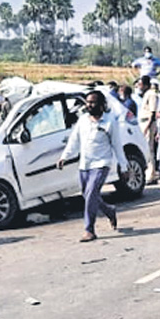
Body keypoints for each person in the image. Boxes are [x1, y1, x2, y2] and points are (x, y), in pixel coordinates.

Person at [58, 90, 127, 243]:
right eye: (88, 102)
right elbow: (74, 141)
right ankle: (109, 210)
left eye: (93, 102)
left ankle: (89, 230)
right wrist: (64, 156)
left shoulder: (110, 122)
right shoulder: (83, 120)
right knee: (88, 195)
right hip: (85, 163)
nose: (89, 105)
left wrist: (124, 166)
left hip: (101, 164)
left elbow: (117, 145)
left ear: (102, 105)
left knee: (90, 194)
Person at [136, 76, 160, 184]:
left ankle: (151, 174)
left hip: (148, 123)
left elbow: (152, 112)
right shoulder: (146, 94)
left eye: (140, 84)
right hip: (143, 122)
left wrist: (147, 127)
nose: (139, 86)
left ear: (145, 85)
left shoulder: (151, 94)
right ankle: (151, 173)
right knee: (146, 149)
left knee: (149, 149)